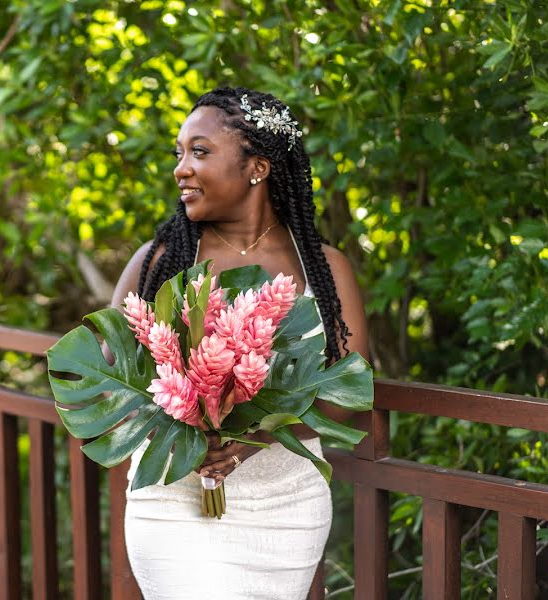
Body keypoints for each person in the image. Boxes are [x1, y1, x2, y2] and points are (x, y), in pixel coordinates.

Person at [109, 86, 370, 599]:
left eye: (199, 152)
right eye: (179, 153)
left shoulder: (324, 267)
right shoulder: (159, 260)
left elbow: (350, 390)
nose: (181, 168)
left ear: (258, 167)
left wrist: (254, 437)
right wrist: (186, 419)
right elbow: (106, 378)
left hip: (285, 501)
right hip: (170, 495)